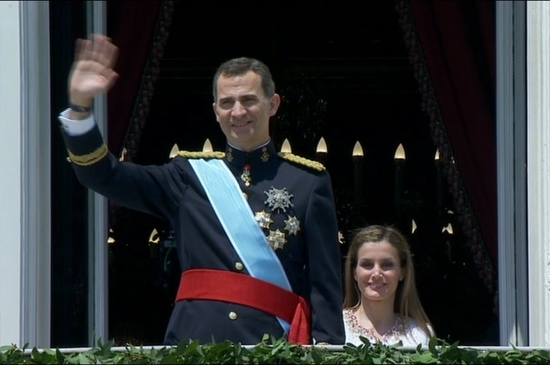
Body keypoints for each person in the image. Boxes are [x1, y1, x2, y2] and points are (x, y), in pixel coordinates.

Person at [57, 34, 345, 346]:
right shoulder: (187, 176)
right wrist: (80, 107)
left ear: (272, 104)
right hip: (194, 344)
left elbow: (324, 284)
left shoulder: (309, 182)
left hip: (272, 346)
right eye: (227, 103)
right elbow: (103, 175)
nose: (238, 112)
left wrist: (329, 350)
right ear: (215, 110)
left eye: (249, 100)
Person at [343, 225, 434, 347]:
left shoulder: (420, 334)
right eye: (367, 264)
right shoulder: (333, 327)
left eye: (386, 265)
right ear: (354, 272)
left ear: (402, 272)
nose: (376, 273)